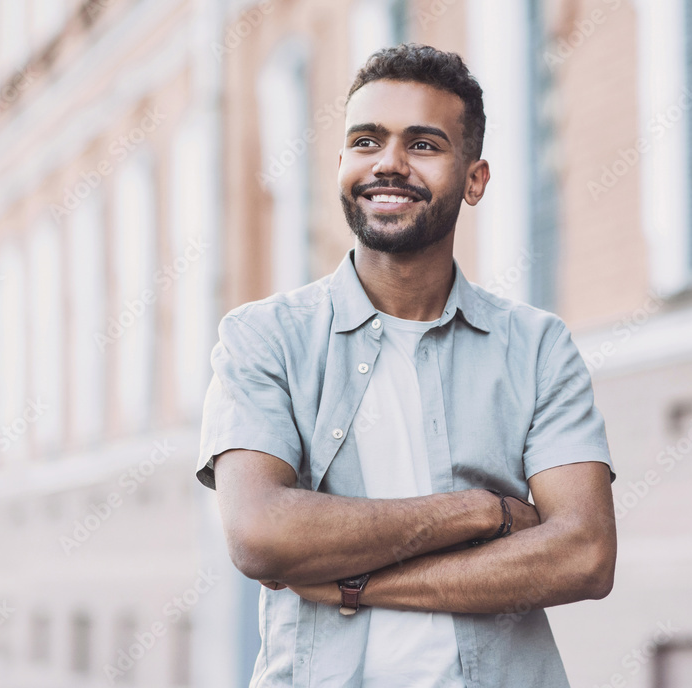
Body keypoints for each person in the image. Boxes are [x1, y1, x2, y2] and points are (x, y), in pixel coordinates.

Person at [196, 43, 617, 688]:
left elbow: (584, 554)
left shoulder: (536, 347)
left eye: (422, 144)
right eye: (366, 141)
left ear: (474, 178)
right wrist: (484, 514)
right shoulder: (264, 339)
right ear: (340, 164)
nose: (388, 164)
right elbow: (260, 534)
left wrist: (352, 584)